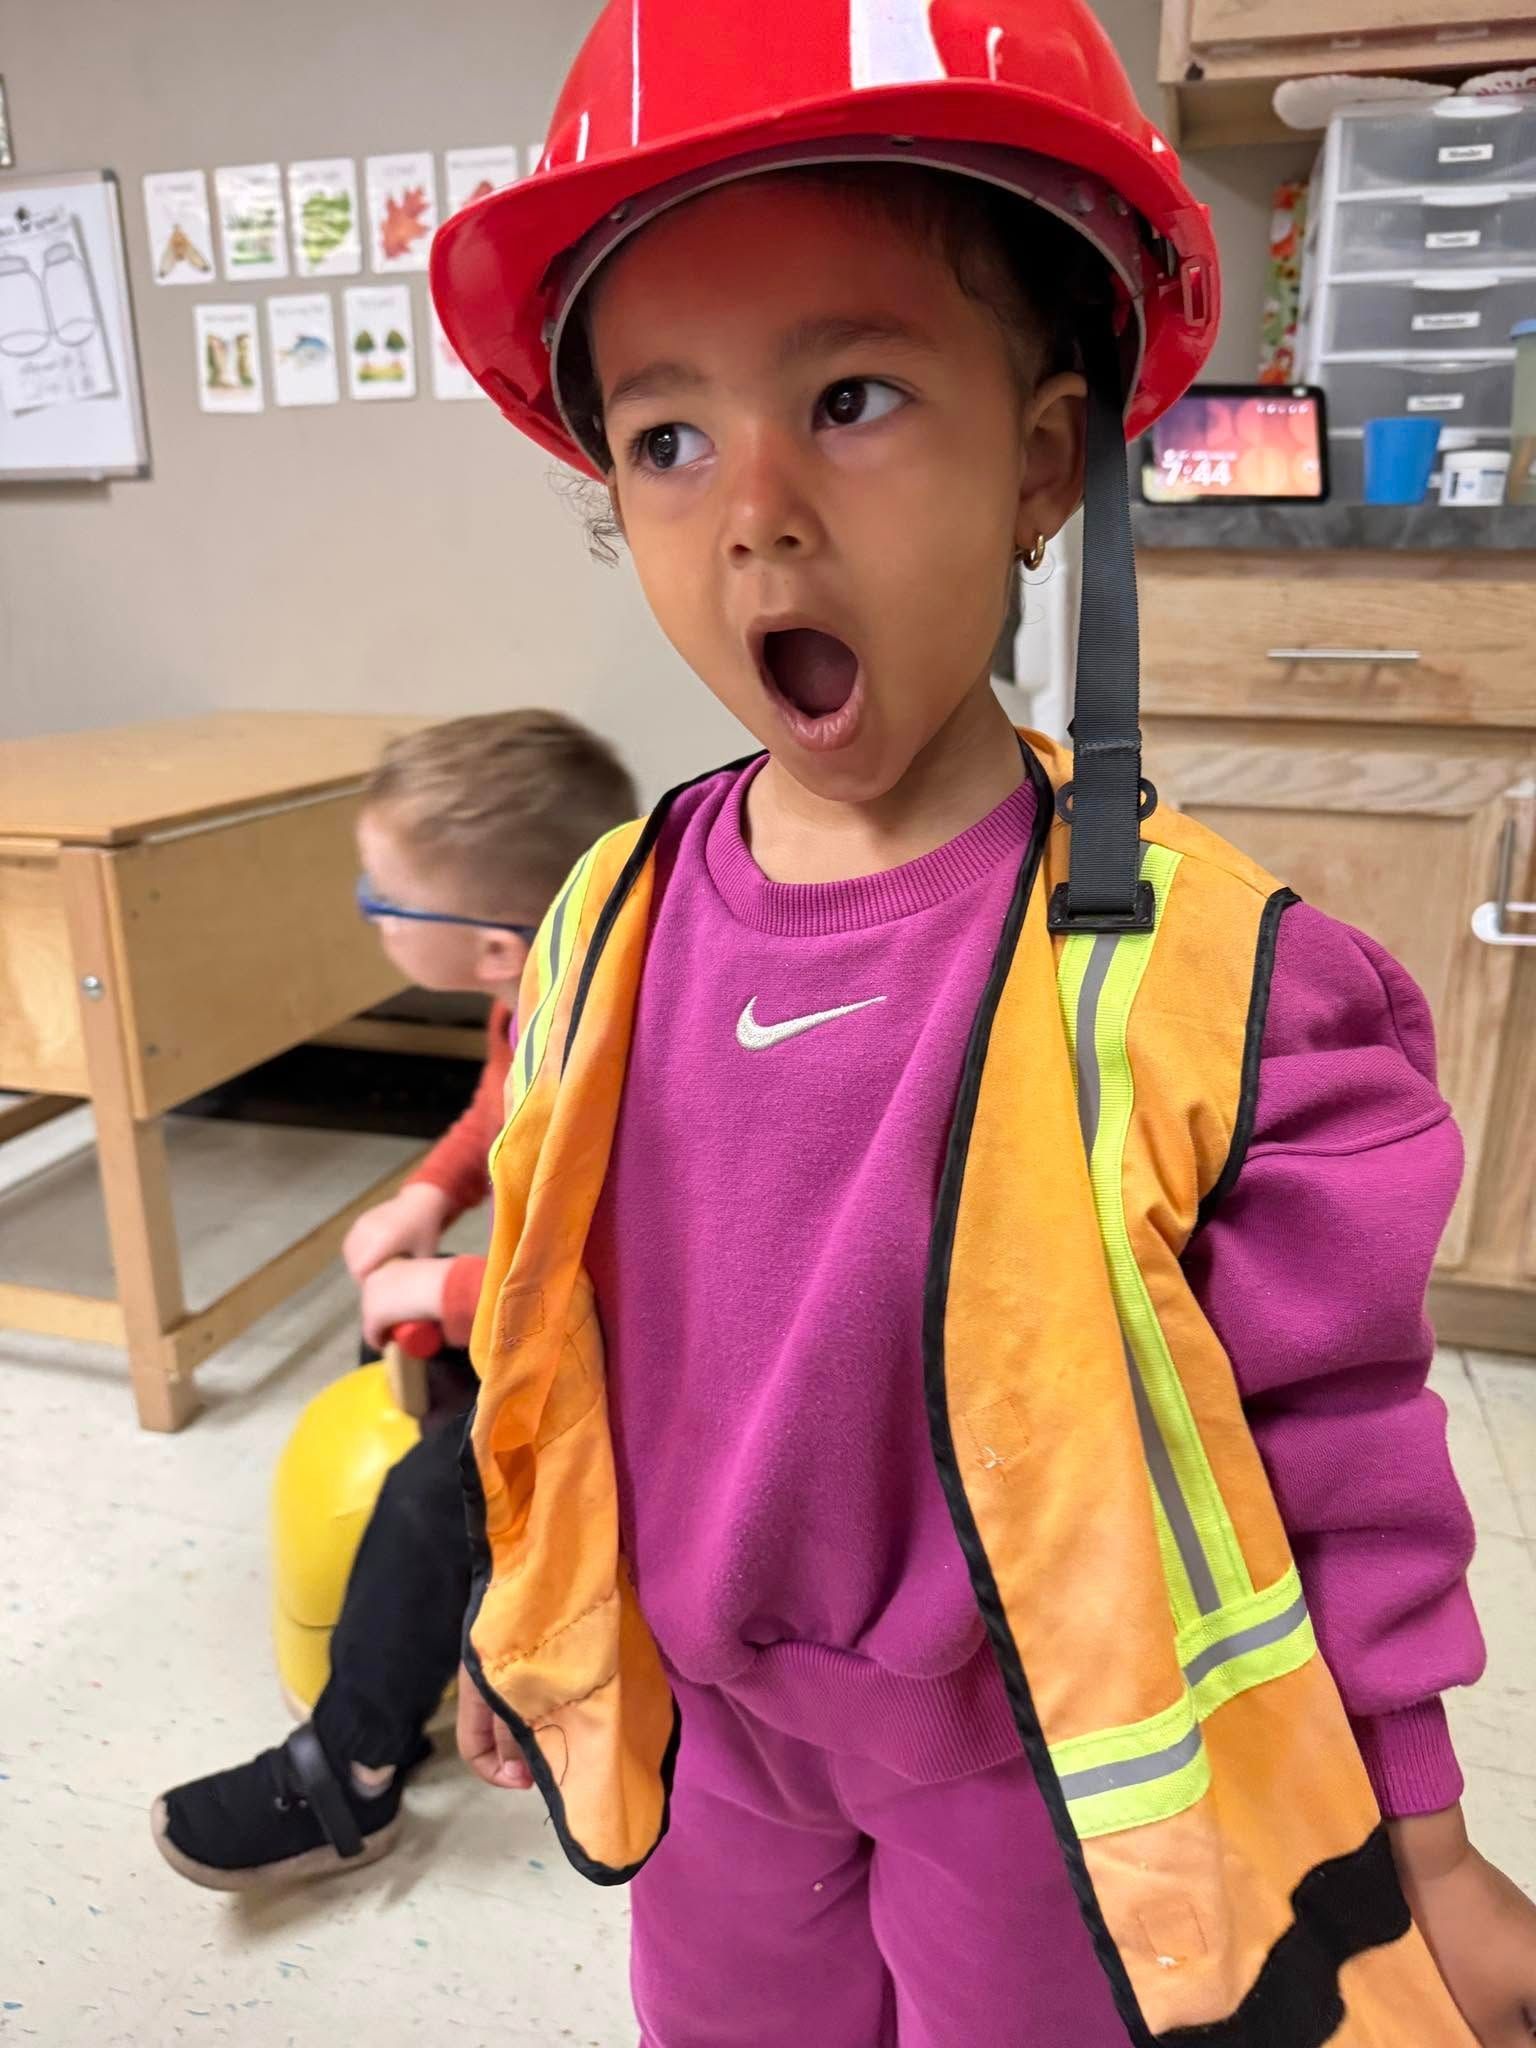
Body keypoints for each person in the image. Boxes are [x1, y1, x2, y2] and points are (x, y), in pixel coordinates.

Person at [430, 5, 1536, 2043]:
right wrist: (524, 1619)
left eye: (848, 394)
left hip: (1037, 1764)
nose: (750, 507)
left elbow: (1347, 1449)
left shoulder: (1215, 978)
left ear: (1044, 460)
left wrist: (1427, 1848)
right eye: (666, 437)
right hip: (719, 1748)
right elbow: (547, 1311)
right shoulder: (608, 915)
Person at [150, 710, 637, 1890]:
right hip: (560, 1328)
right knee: (422, 1414)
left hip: (639, 1357)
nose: (366, 909)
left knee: (430, 1490)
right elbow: (494, 1115)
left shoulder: (610, 1043)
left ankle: (347, 1775)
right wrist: (428, 1191)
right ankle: (470, 1609)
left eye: (383, 898)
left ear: (485, 948)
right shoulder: (537, 994)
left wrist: (456, 1288)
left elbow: (615, 1271)